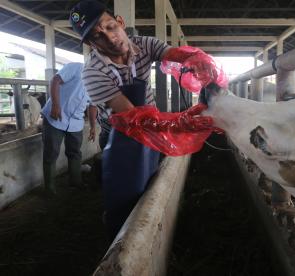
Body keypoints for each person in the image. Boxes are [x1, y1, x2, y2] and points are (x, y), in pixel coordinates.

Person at [69, 0, 217, 239]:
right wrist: (179, 123)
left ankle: (149, 219)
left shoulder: (143, 44)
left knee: (151, 175)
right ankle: (118, 233)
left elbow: (173, 54)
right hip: (121, 132)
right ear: (90, 44)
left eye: (110, 27)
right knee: (124, 188)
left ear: (120, 22)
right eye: (98, 37)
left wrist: (195, 60)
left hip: (150, 120)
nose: (109, 38)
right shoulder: (92, 73)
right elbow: (132, 117)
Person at [41, 62, 97, 195]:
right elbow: (55, 80)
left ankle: (76, 182)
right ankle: (49, 188)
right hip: (56, 117)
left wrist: (93, 126)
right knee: (51, 152)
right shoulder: (77, 67)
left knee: (75, 152)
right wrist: (55, 105)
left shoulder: (98, 83)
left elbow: (92, 106)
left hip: (76, 122)